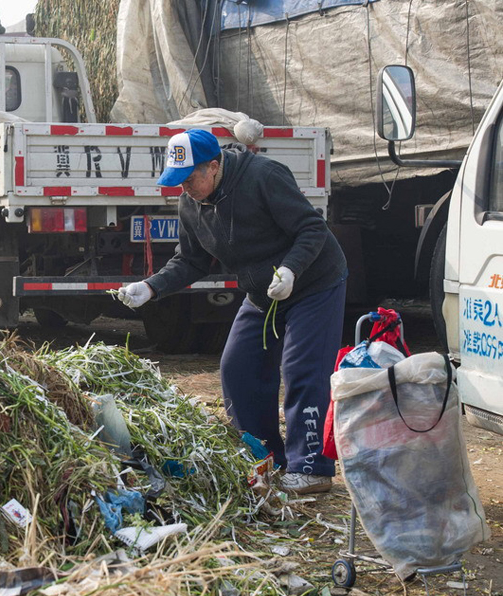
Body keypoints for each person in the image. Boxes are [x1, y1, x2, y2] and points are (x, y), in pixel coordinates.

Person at [118, 129, 347, 494]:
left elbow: (311, 228)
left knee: (302, 368)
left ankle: (312, 468)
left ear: (214, 166)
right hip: (261, 292)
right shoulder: (191, 203)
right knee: (238, 367)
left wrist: (290, 270)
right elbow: (192, 261)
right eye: (178, 181)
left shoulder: (263, 177)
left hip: (312, 283)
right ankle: (265, 459)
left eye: (191, 178)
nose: (186, 188)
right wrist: (150, 287)